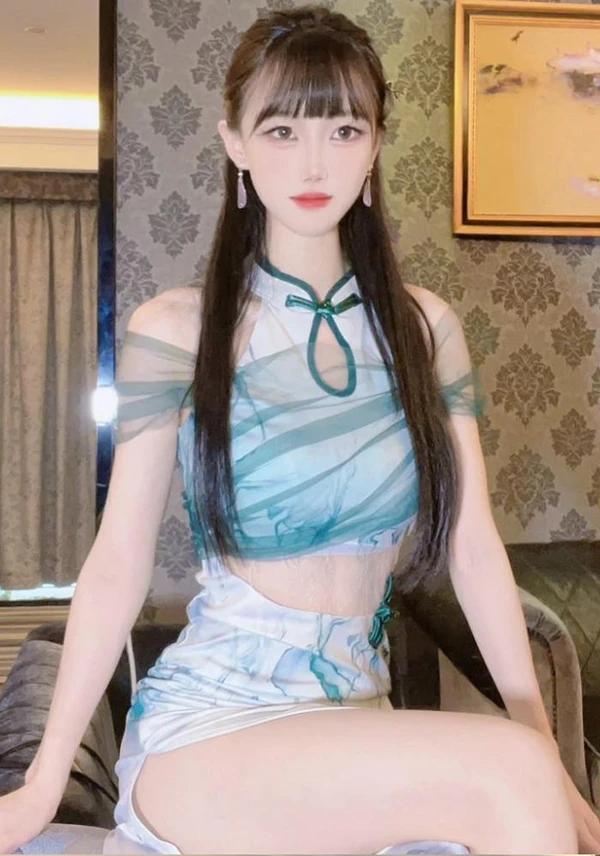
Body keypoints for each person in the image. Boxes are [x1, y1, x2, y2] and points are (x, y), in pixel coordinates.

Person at [1, 5, 598, 855]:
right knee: (509, 773)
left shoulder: (424, 330)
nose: (314, 162)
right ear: (235, 144)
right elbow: (117, 564)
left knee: (522, 774)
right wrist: (43, 781)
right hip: (214, 726)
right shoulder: (177, 329)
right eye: (281, 130)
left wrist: (550, 757)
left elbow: (473, 553)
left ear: (376, 145)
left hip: (356, 717)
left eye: (344, 129)